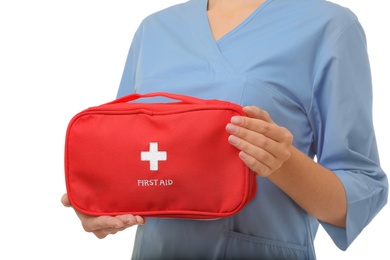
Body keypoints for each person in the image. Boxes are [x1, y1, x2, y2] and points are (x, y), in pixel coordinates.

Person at [61, 0, 388, 258]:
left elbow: (361, 192)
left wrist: (282, 162)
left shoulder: (329, 26)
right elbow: (129, 162)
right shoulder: (154, 30)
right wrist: (98, 206)